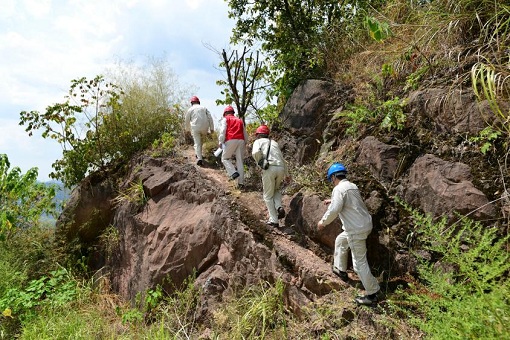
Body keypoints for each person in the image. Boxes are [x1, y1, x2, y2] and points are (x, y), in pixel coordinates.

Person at [317, 162, 380, 306]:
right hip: (364, 225)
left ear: (333, 177)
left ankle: (372, 294)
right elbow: (349, 202)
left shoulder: (339, 189)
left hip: (356, 230)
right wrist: (332, 200)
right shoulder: (352, 186)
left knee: (359, 264)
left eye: (330, 180)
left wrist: (323, 222)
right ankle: (340, 270)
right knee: (341, 240)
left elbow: (334, 210)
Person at [251, 125, 288, 227]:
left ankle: (274, 220)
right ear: (267, 134)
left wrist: (261, 162)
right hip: (280, 168)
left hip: (269, 168)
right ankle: (279, 207)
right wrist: (287, 174)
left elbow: (255, 152)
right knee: (275, 190)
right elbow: (282, 158)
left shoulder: (258, 142)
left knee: (267, 196)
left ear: (258, 135)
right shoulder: (274, 143)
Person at [218, 105, 248, 187]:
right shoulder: (239, 120)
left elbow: (222, 131)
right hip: (241, 140)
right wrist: (246, 141)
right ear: (233, 113)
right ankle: (241, 183)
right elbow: (245, 133)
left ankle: (233, 172)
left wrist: (220, 141)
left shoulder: (226, 119)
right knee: (240, 161)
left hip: (231, 139)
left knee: (224, 158)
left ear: (225, 113)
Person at [184, 95, 214, 166]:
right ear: (198, 102)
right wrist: (212, 129)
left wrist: (187, 130)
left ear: (192, 103)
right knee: (201, 142)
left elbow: (187, 121)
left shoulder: (190, 109)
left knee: (197, 143)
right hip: (205, 128)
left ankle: (199, 158)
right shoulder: (204, 108)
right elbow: (210, 118)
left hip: (195, 128)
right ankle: (199, 155)